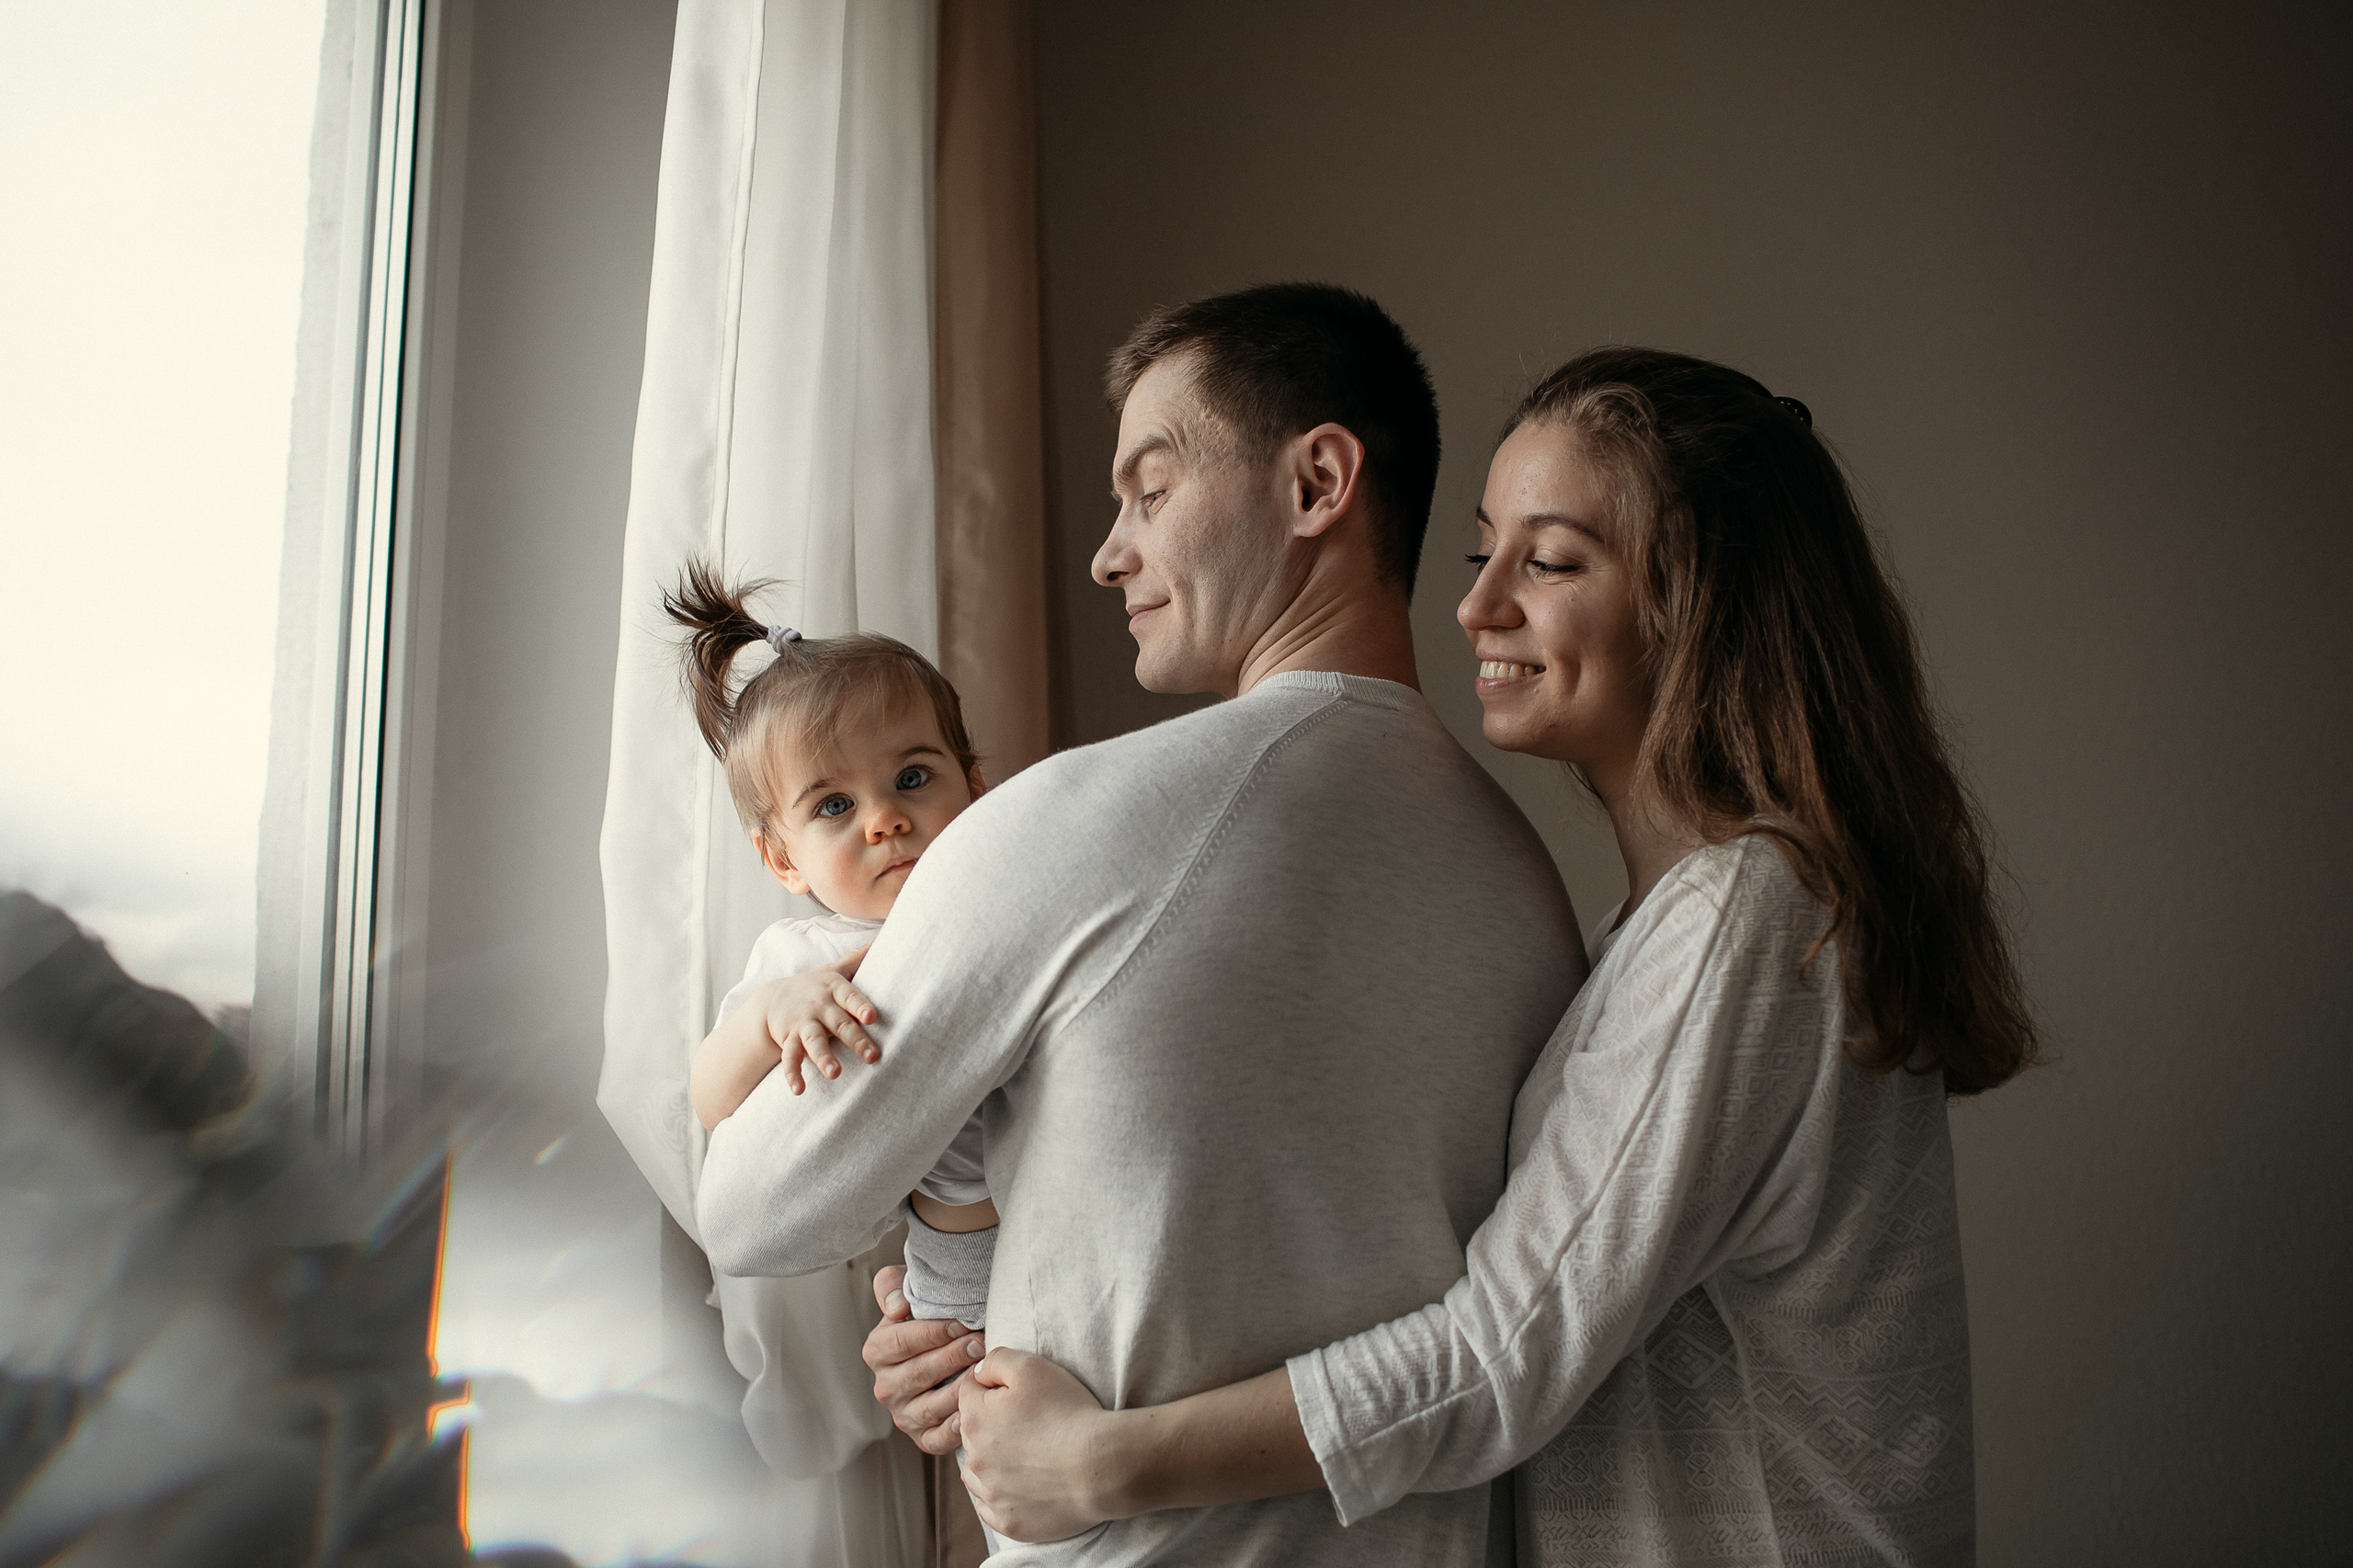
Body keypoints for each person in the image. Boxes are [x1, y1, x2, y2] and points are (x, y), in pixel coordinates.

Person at [884, 347, 2036, 1566]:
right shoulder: (1642, 943)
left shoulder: (1747, 920)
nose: (1478, 605)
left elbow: (1504, 1351)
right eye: (1485, 551)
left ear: (1695, 599)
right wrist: (984, 1317)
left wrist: (1102, 1461)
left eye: (1548, 561)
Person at [694, 283, 1586, 1566]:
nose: (1111, 550)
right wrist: (973, 1301)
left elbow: (754, 1205)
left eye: (1150, 489)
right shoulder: (1526, 891)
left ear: (1317, 481)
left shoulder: (1066, 826)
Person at [664, 562, 1003, 1332]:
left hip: (1072, 1218)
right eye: (836, 805)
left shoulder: (1003, 899)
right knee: (988, 1426)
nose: (884, 819)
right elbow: (713, 1099)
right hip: (962, 1266)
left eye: (913, 776)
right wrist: (769, 1018)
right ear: (783, 860)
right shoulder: (806, 955)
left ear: (975, 786)